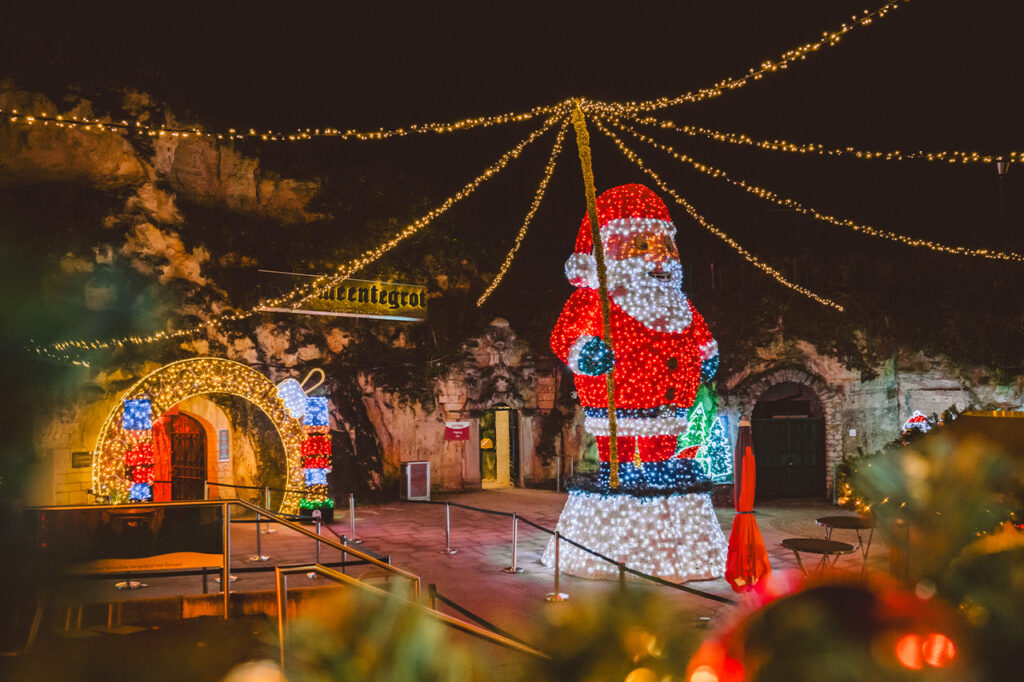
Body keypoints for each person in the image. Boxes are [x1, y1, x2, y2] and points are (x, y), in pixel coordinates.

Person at [551, 183, 719, 491]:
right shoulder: (597, 298)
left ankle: (659, 470)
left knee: (661, 449)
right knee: (620, 450)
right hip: (616, 400)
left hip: (670, 404)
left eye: (667, 244)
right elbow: (564, 336)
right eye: (642, 244)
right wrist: (584, 351)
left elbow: (699, 331)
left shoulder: (678, 302)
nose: (661, 256)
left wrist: (706, 353)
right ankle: (618, 470)